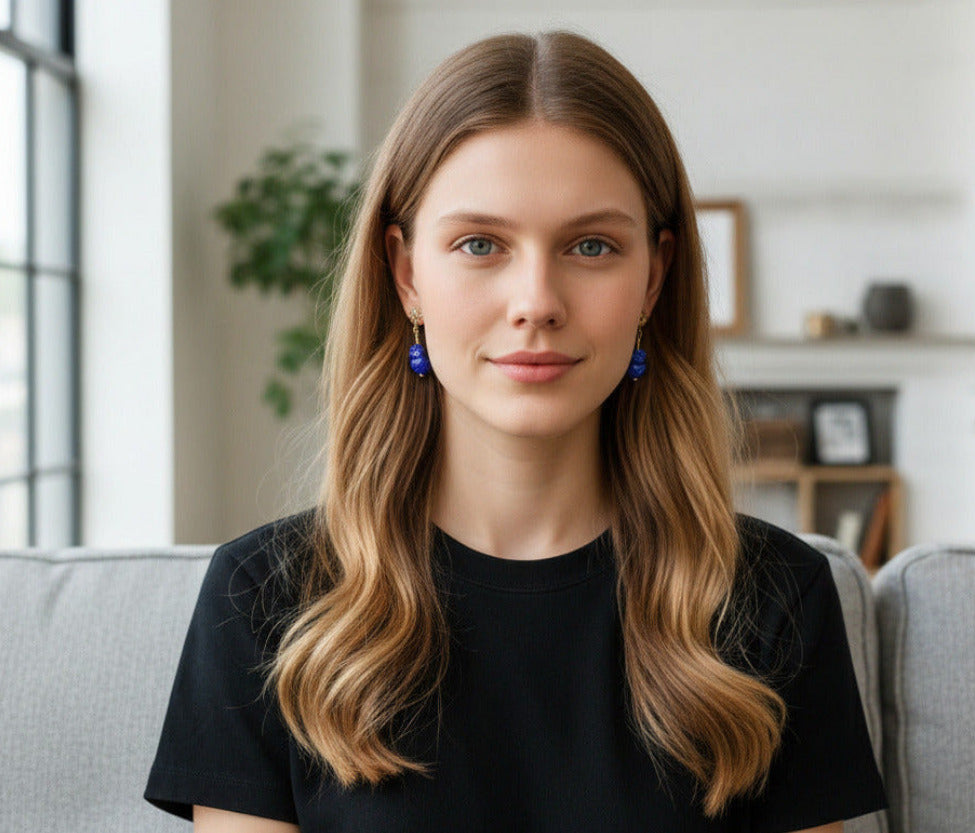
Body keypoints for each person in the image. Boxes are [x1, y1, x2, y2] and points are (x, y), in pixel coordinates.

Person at [144, 31, 887, 832]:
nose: (536, 300)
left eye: (591, 245)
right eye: (479, 244)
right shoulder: (262, 596)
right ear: (405, 273)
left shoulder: (773, 596)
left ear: (654, 276)